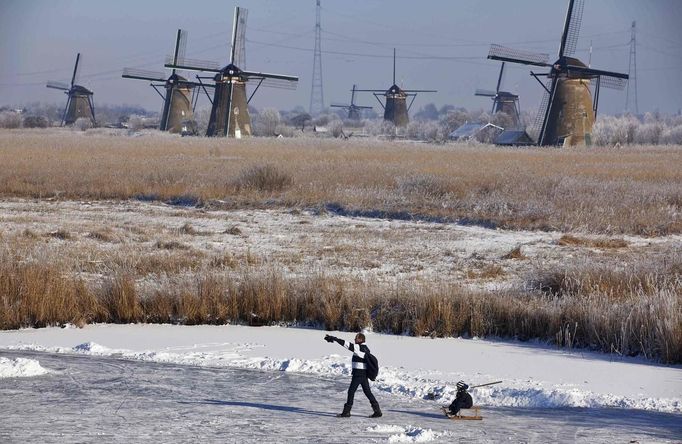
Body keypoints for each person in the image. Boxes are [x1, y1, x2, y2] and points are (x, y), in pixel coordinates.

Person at [324, 332, 382, 418]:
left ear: (361, 339)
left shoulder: (358, 347)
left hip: (358, 374)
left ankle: (346, 412)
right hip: (363, 374)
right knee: (367, 392)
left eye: (356, 338)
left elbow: (346, 344)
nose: (354, 340)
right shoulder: (366, 348)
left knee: (351, 392)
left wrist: (335, 339)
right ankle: (377, 411)